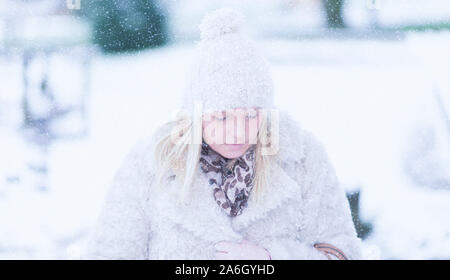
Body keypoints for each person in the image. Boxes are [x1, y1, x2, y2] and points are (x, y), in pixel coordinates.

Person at [83, 7, 363, 260]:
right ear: (196, 114)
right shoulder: (151, 164)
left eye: (251, 115)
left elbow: (343, 252)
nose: (236, 133)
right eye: (222, 117)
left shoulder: (301, 157)